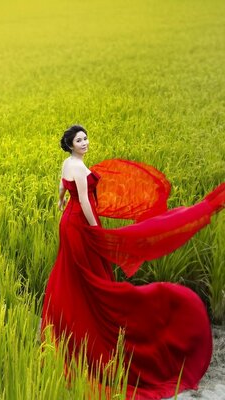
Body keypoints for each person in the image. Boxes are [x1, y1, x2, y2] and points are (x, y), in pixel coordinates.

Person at [41, 124, 225, 399]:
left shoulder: (68, 164)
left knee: (79, 278)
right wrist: (97, 231)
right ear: (70, 144)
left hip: (69, 223)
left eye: (86, 138)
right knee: (90, 280)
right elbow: (87, 204)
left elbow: (61, 189)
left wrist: (59, 204)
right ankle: (90, 332)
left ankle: (74, 330)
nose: (85, 142)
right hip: (81, 226)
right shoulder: (79, 168)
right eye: (79, 140)